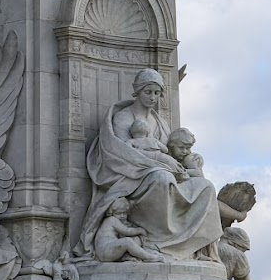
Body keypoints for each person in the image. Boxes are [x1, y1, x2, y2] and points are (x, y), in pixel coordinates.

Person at [81, 69, 222, 261]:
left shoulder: (160, 122)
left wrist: (190, 159)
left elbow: (172, 151)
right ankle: (155, 243)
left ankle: (191, 248)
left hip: (165, 172)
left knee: (206, 186)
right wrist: (162, 162)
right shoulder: (123, 117)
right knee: (161, 177)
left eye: (157, 93)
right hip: (131, 176)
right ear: (137, 91)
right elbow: (122, 153)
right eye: (148, 92)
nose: (152, 97)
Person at [94, 197, 166, 263]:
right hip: (104, 251)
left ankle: (127, 256)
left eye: (124, 213)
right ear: (111, 213)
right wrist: (140, 230)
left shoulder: (116, 221)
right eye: (118, 213)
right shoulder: (111, 220)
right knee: (127, 241)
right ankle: (149, 257)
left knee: (135, 239)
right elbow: (127, 231)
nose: (122, 216)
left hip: (110, 250)